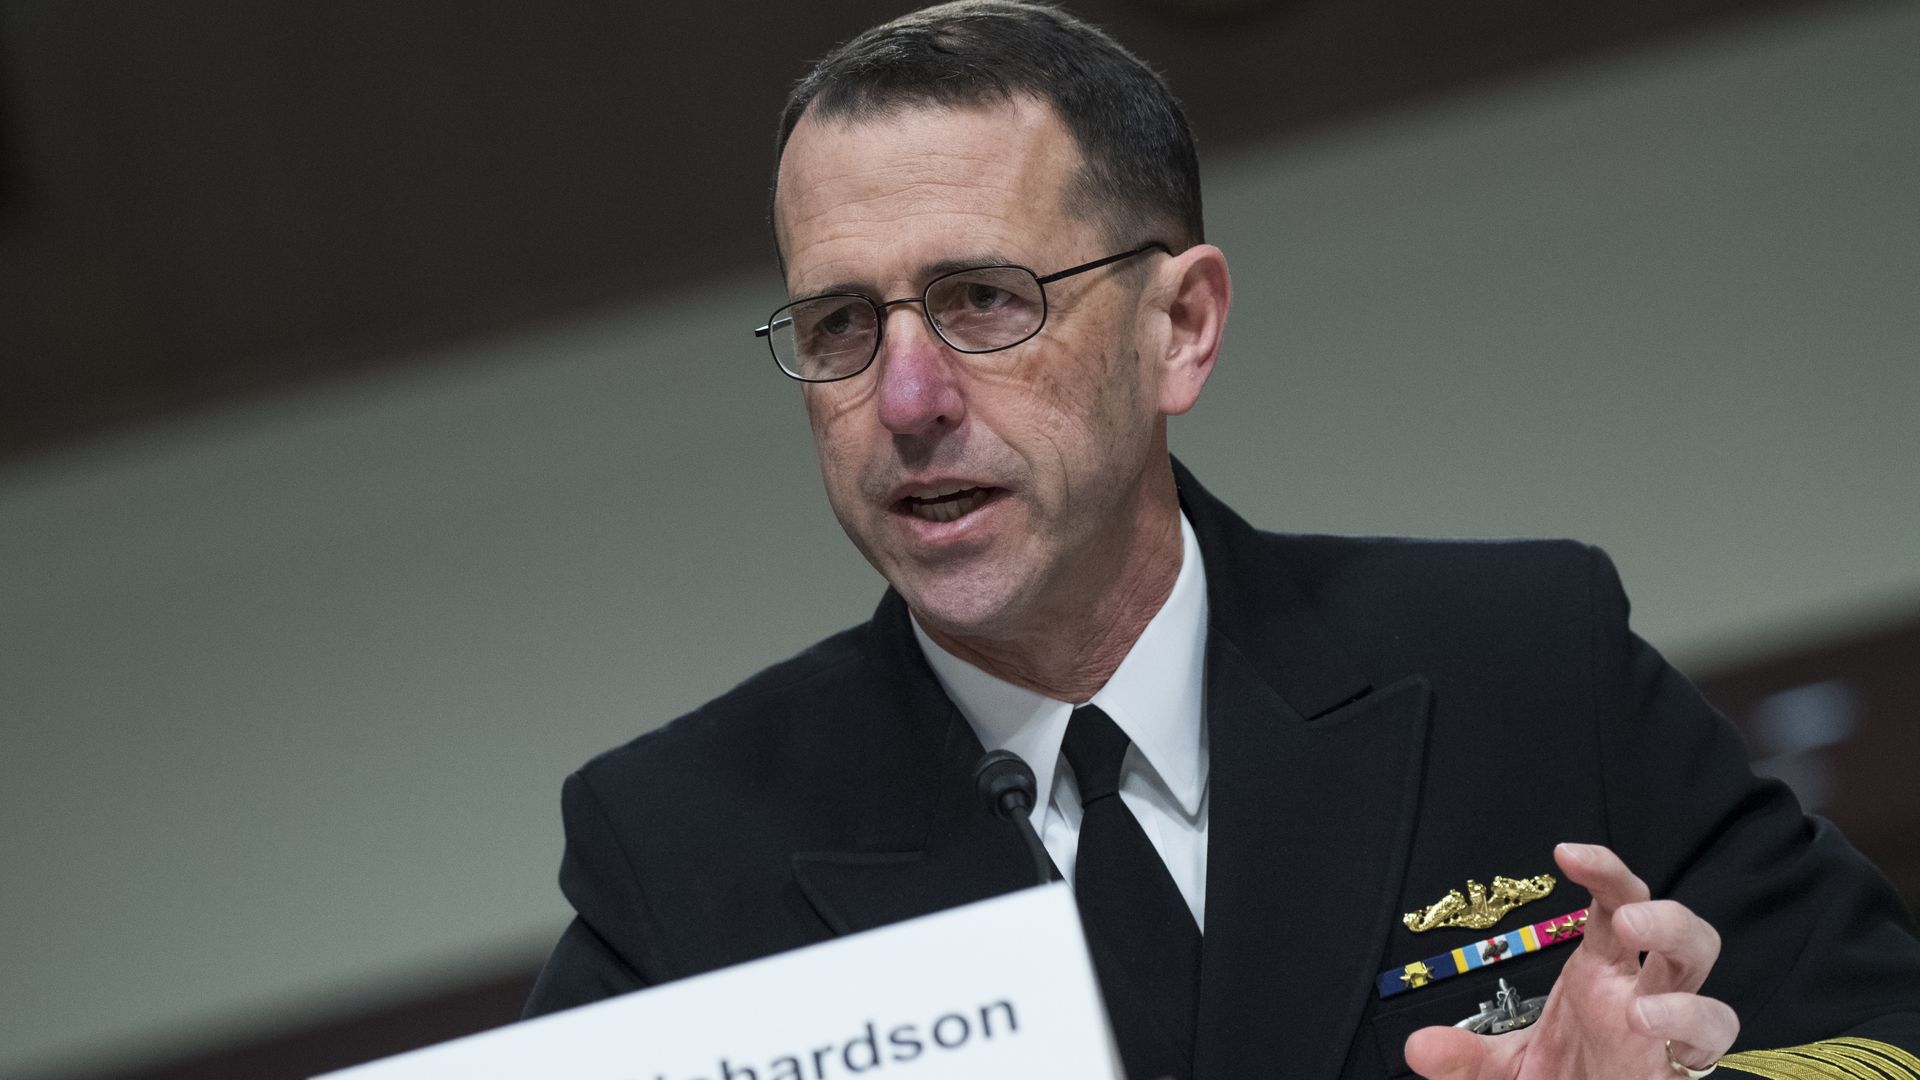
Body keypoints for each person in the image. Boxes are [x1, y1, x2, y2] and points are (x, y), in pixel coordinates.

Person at [525, 3, 1920, 1078]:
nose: (905, 398)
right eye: (840, 326)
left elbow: (1885, 1032)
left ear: (1180, 328)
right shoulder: (684, 850)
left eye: (982, 300)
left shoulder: (1521, 662)